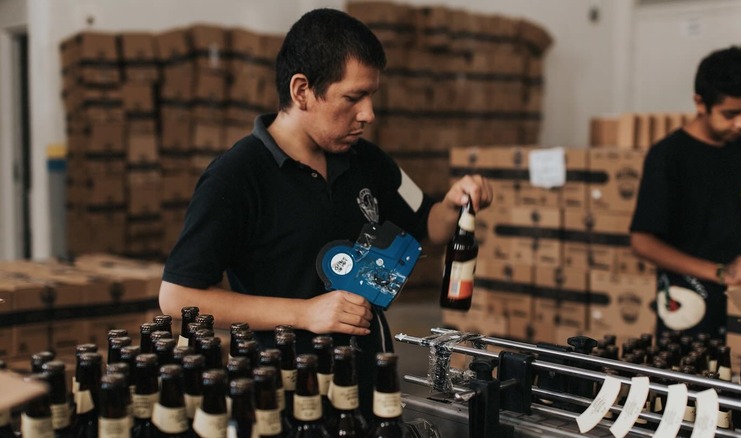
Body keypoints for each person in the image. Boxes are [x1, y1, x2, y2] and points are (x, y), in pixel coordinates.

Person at [158, 8, 492, 418]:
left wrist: (454, 204)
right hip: (284, 398)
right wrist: (305, 313)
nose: (368, 113)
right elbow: (177, 297)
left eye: (371, 97)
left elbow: (428, 225)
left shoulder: (368, 161)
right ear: (302, 91)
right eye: (353, 98)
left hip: (371, 389)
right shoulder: (236, 178)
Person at [630, 45, 741, 341]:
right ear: (700, 103)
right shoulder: (668, 156)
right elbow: (642, 242)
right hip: (687, 306)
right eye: (731, 114)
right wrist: (723, 272)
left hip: (739, 305)